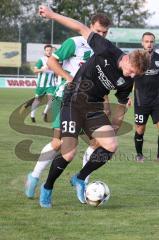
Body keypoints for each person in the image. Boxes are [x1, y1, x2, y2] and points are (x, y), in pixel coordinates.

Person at [38, 5, 150, 208]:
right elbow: (80, 27)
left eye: (136, 75)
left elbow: (123, 102)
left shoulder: (128, 79)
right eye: (131, 71)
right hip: (73, 101)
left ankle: (80, 178)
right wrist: (53, 15)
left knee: (111, 145)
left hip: (94, 108)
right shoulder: (106, 49)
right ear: (126, 59)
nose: (131, 76)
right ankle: (47, 188)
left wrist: (115, 124)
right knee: (69, 153)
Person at [25, 10, 111, 198]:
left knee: (98, 143)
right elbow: (51, 61)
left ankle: (83, 182)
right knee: (59, 144)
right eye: (98, 31)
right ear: (90, 27)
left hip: (91, 101)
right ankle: (34, 176)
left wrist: (106, 102)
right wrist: (69, 77)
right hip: (65, 97)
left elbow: (102, 79)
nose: (101, 35)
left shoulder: (104, 50)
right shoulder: (75, 42)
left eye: (105, 32)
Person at [134, 32, 159, 162]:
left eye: (151, 42)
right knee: (140, 129)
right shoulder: (136, 59)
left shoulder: (158, 58)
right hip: (141, 101)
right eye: (147, 41)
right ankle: (139, 155)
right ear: (142, 43)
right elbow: (128, 78)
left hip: (157, 100)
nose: (149, 44)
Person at [30, 44, 57, 123]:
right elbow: (35, 70)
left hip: (51, 84)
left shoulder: (54, 60)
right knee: (37, 100)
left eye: (50, 50)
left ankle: (44, 113)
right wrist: (42, 69)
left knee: (52, 99)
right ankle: (32, 115)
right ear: (45, 51)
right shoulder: (41, 60)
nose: (49, 52)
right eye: (47, 50)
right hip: (41, 84)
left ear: (52, 51)